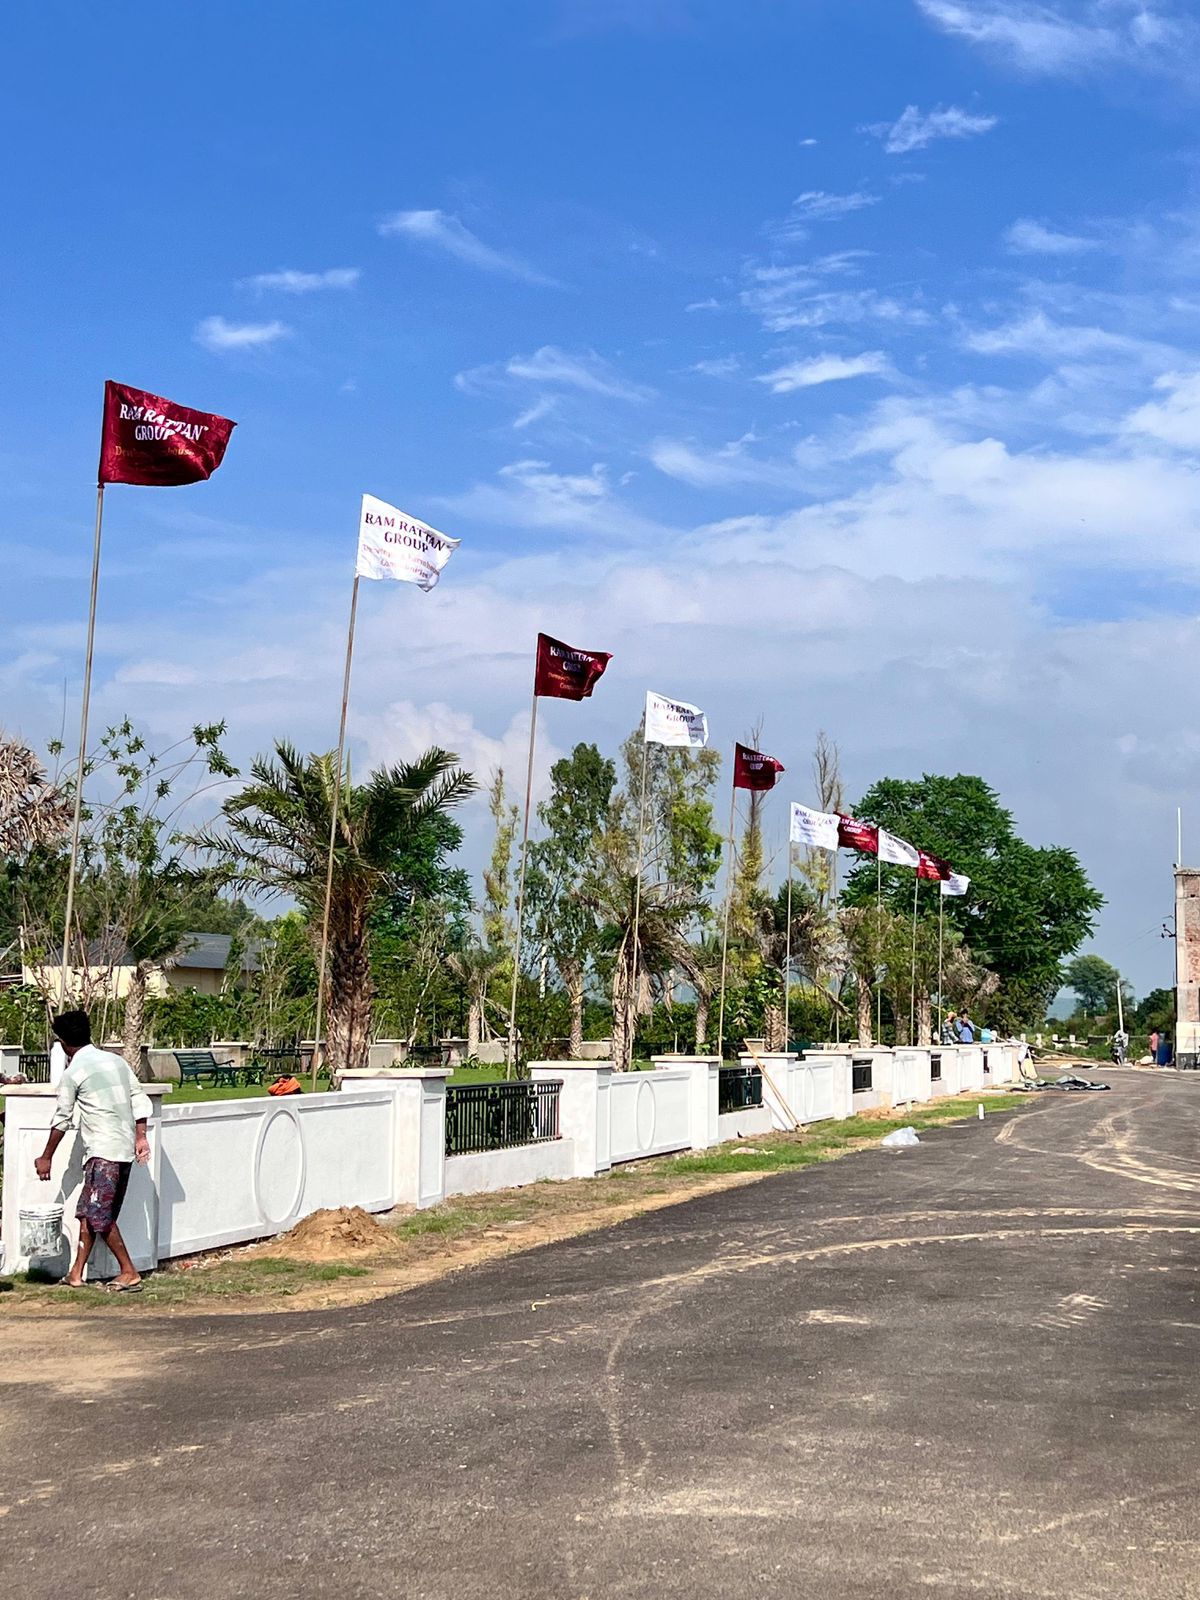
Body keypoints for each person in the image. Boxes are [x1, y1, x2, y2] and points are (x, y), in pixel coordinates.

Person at [34, 1010, 151, 1291]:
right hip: (123, 1149)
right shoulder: (116, 1061)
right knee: (89, 1212)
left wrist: (46, 1157)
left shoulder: (73, 1073)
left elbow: (62, 1119)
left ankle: (129, 1271)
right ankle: (76, 1273)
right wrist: (141, 1137)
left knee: (99, 1215)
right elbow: (138, 1098)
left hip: (103, 1152)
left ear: (63, 1043)